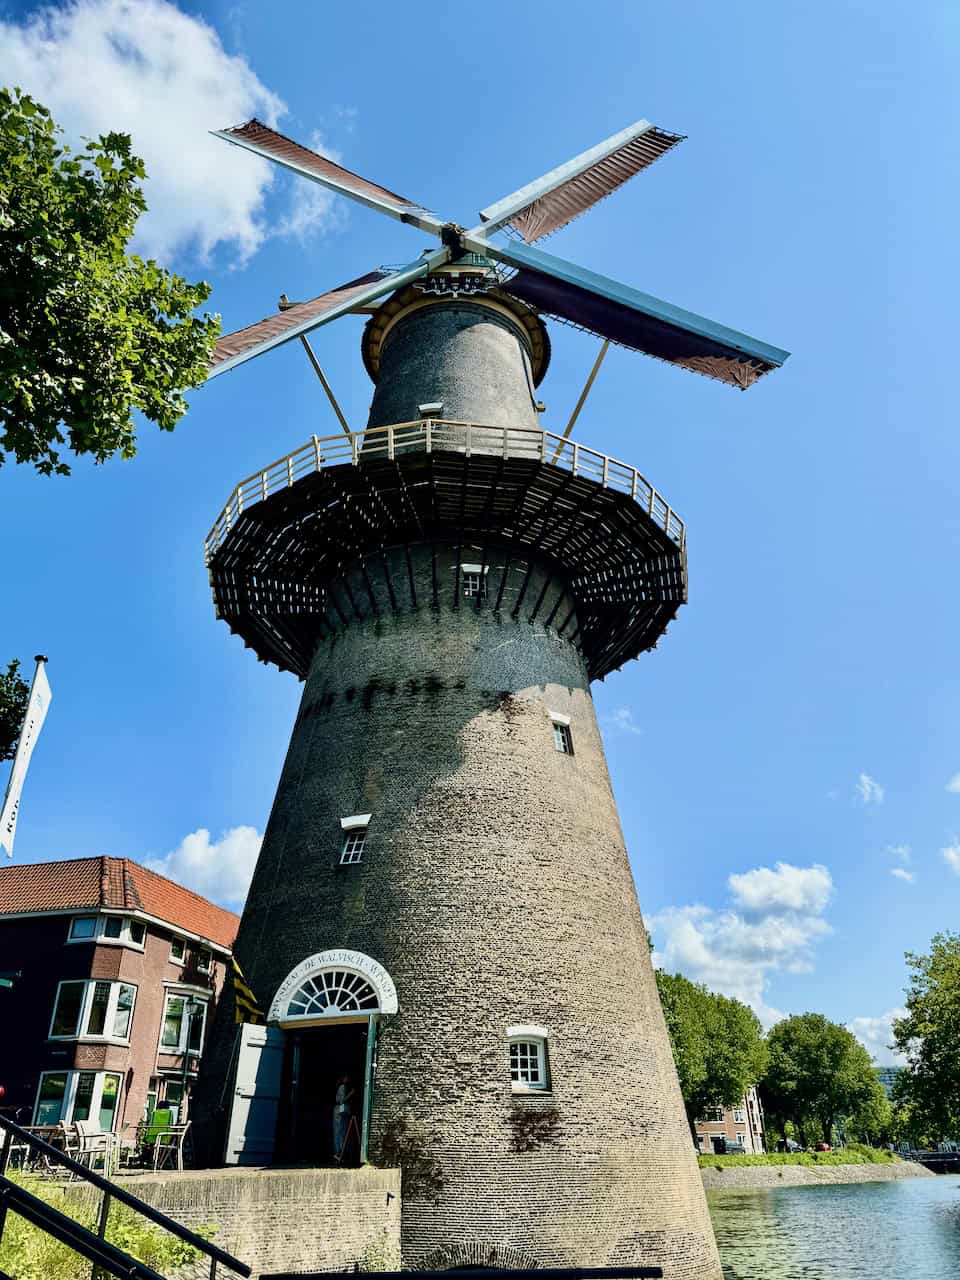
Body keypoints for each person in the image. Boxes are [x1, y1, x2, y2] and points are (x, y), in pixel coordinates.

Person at [333, 1074, 354, 1161]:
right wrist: (350, 1094)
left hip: (341, 1109)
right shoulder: (342, 1087)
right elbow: (341, 1100)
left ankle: (340, 1152)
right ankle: (339, 1152)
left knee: (340, 1131)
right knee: (340, 1130)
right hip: (340, 1109)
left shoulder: (341, 1086)